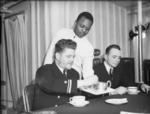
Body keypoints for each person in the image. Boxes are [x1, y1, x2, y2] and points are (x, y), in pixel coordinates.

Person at [33, 39, 98, 110]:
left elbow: (76, 97)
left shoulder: (74, 73)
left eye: (73, 57)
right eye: (68, 56)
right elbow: (52, 85)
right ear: (57, 56)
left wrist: (92, 88)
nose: (72, 60)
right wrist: (84, 82)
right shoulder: (43, 70)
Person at [44, 11, 97, 81]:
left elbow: (88, 72)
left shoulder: (88, 47)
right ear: (75, 23)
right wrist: (45, 74)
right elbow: (50, 56)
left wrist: (92, 81)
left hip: (73, 77)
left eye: (87, 29)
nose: (84, 30)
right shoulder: (62, 33)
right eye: (82, 26)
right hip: (56, 72)